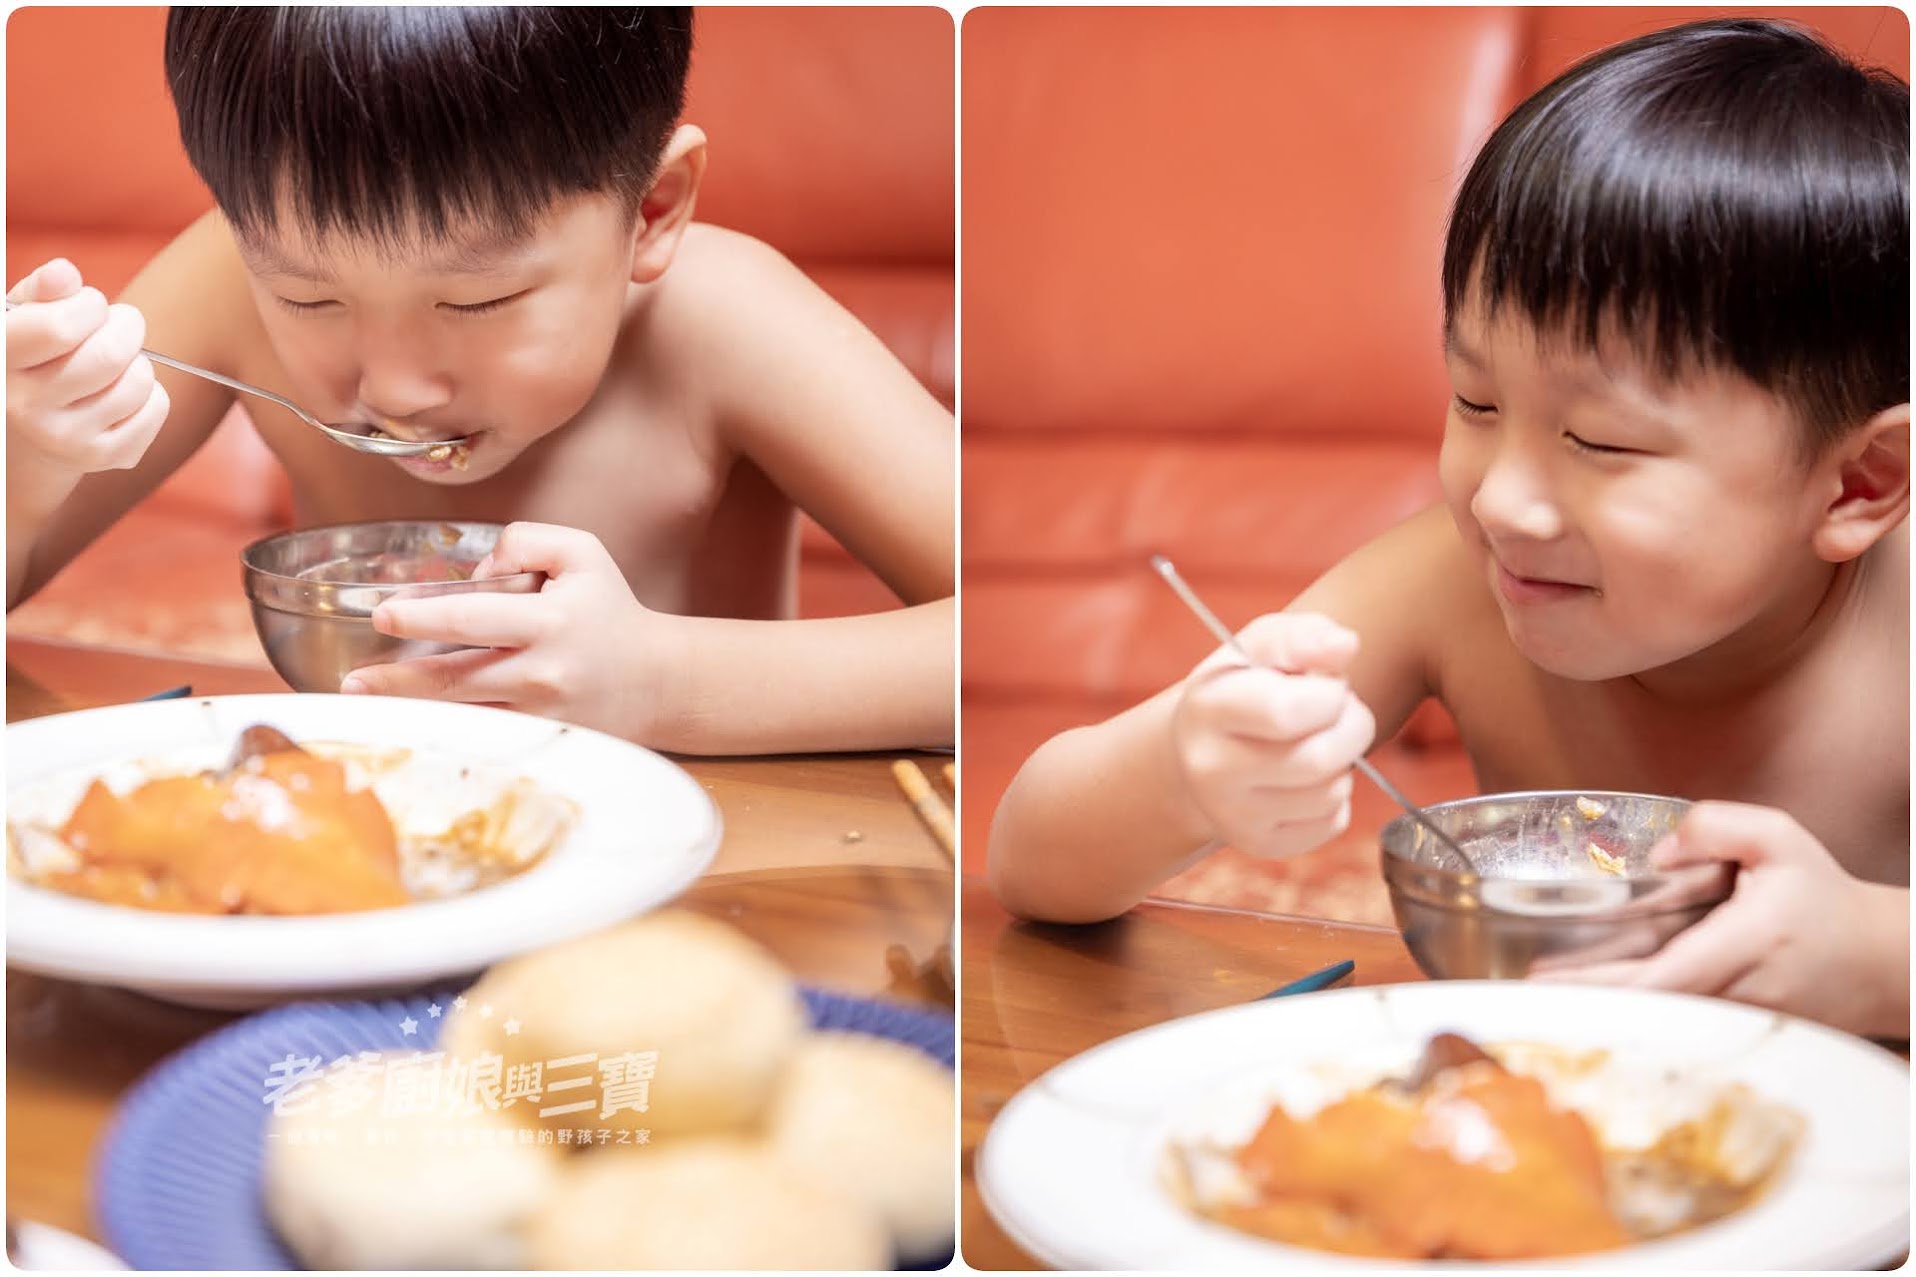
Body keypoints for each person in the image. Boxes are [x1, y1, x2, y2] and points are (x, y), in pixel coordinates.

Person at [987, 18, 1909, 1038]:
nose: (1500, 500)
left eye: (1599, 440)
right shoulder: (1448, 579)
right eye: (1473, 402)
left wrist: (1873, 954)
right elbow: (1030, 865)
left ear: (1856, 485)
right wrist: (1180, 770)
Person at [5, 6, 953, 755]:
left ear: (652, 210)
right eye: (308, 299)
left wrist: (665, 680)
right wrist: (29, 454)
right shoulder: (224, 280)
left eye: (477, 303)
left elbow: (994, 642)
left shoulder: (727, 319)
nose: (398, 388)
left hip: (703, 887)